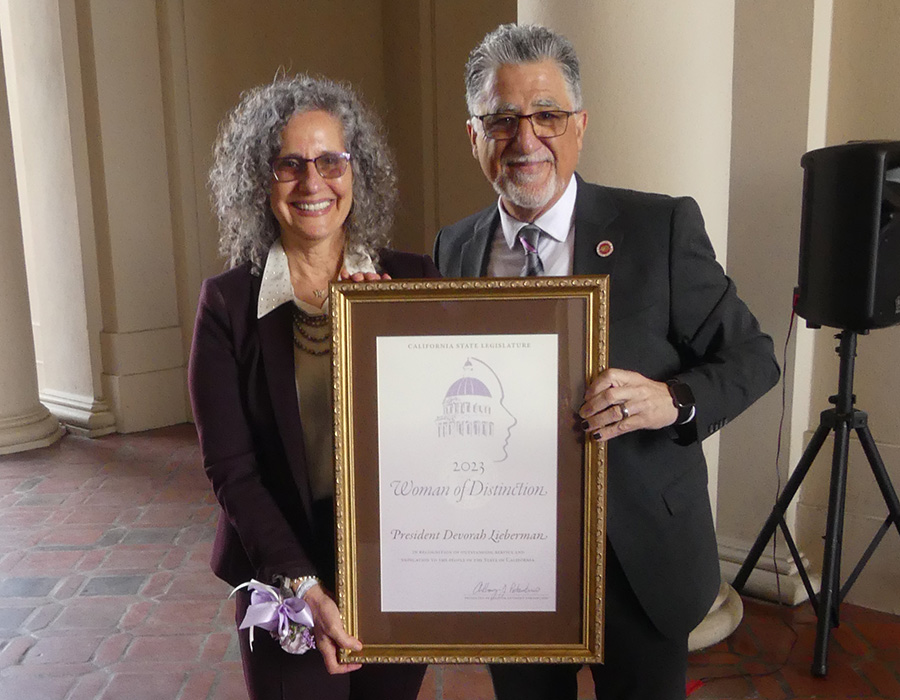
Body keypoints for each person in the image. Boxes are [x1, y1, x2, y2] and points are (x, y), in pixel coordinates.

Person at [433, 24, 780, 700]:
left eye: (547, 115)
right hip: (512, 565)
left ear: (580, 125)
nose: (526, 139)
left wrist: (672, 400)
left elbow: (754, 356)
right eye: (502, 120)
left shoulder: (660, 228)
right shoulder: (454, 248)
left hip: (642, 558)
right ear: (472, 135)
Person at [189, 74, 437, 700]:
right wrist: (304, 587)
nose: (313, 183)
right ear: (259, 179)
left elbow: (445, 436)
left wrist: (401, 341)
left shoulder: (413, 281)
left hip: (394, 564)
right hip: (282, 568)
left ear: (358, 172)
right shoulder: (228, 303)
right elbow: (232, 471)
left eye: (331, 161)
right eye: (289, 165)